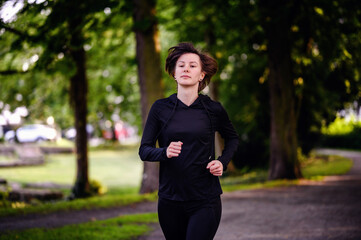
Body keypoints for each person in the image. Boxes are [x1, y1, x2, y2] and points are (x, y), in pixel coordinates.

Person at [139, 42, 239, 240]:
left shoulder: (213, 109)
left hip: (205, 199)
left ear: (201, 75)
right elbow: (144, 150)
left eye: (193, 65)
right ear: (174, 73)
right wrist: (164, 152)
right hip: (170, 200)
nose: (186, 68)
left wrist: (222, 161)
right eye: (181, 65)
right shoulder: (160, 109)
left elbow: (232, 138)